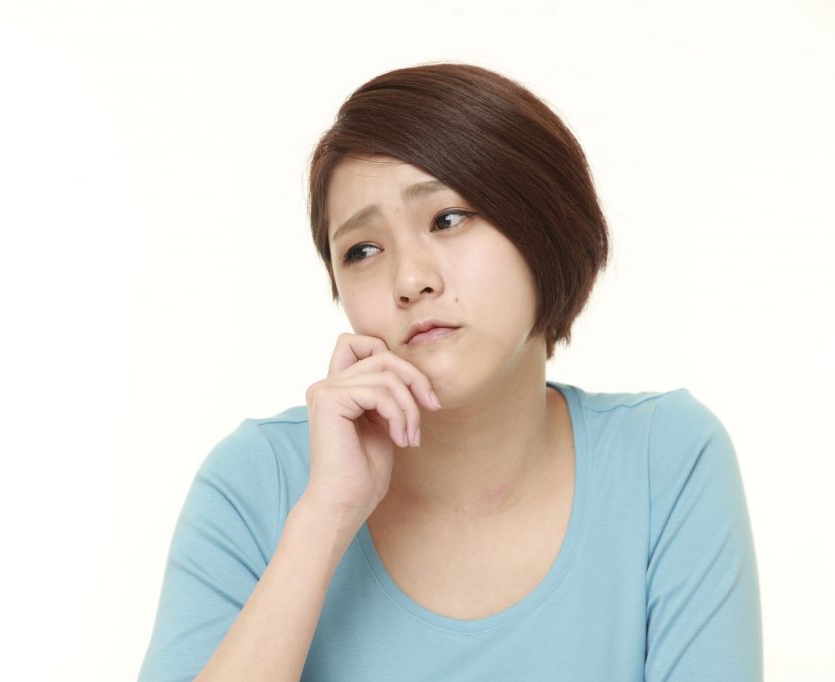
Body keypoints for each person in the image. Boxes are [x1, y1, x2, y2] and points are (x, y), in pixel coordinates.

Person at [137, 63, 763, 681]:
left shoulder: (665, 460)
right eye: (363, 250)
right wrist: (327, 515)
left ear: (544, 224)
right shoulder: (257, 482)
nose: (410, 280)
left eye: (447, 218)